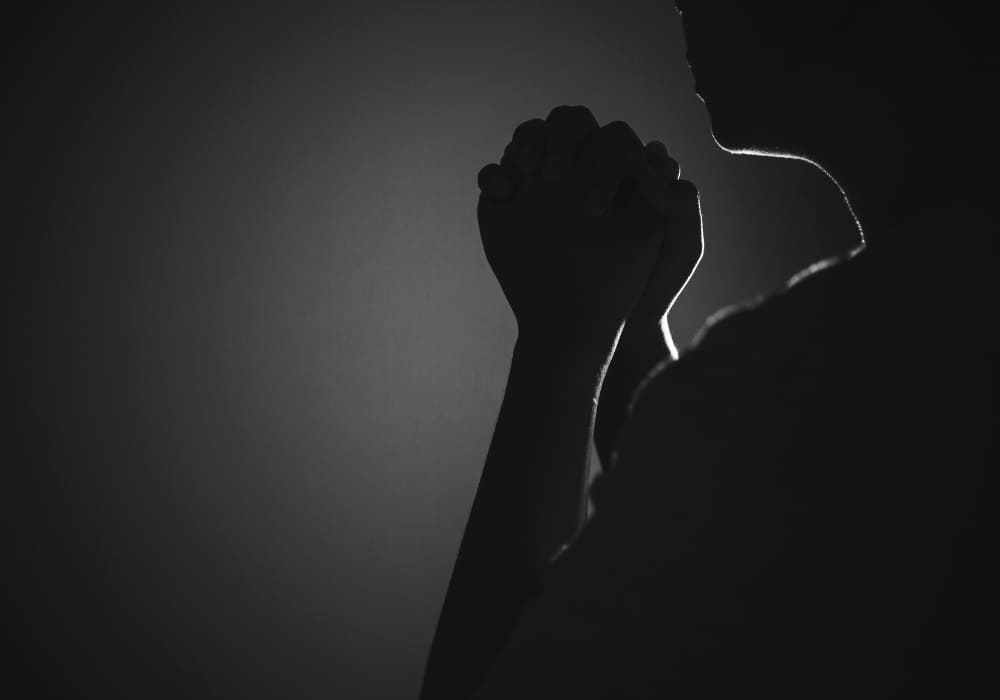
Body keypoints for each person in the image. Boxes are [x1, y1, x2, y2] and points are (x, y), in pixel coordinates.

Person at [421, 2, 996, 697]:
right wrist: (631, 329)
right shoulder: (919, 351)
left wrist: (562, 346)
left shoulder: (817, 381)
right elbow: (746, 583)